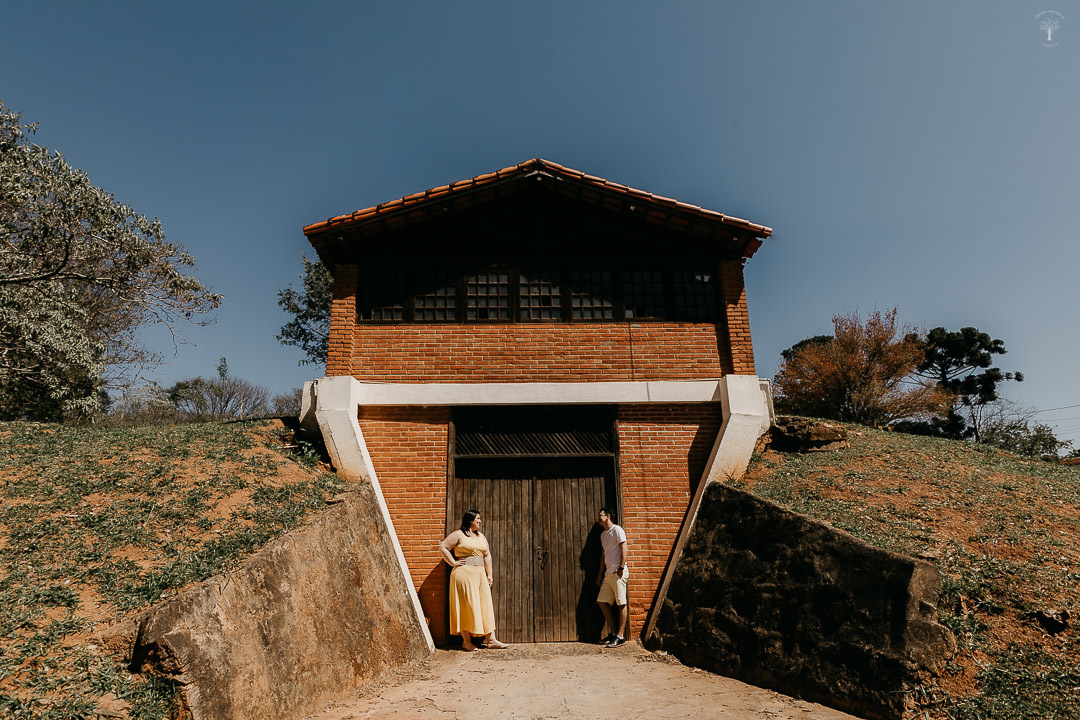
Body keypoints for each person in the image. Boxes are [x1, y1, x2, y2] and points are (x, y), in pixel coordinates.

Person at [440, 509, 509, 650]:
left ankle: (492, 640)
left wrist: (490, 574)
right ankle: (466, 641)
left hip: (479, 574)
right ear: (470, 520)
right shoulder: (459, 534)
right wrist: (453, 562)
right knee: (466, 605)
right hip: (463, 574)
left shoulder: (481, 536)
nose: (480, 521)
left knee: (485, 604)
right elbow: (443, 547)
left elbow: (487, 555)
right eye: (477, 518)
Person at [595, 506, 628, 647]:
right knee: (601, 602)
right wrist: (600, 575)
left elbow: (624, 548)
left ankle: (620, 636)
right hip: (608, 574)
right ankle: (614, 633)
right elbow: (603, 556)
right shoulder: (603, 535)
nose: (598, 518)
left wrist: (621, 567)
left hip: (618, 572)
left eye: (600, 515)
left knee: (621, 603)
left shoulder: (617, 530)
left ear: (607, 516)